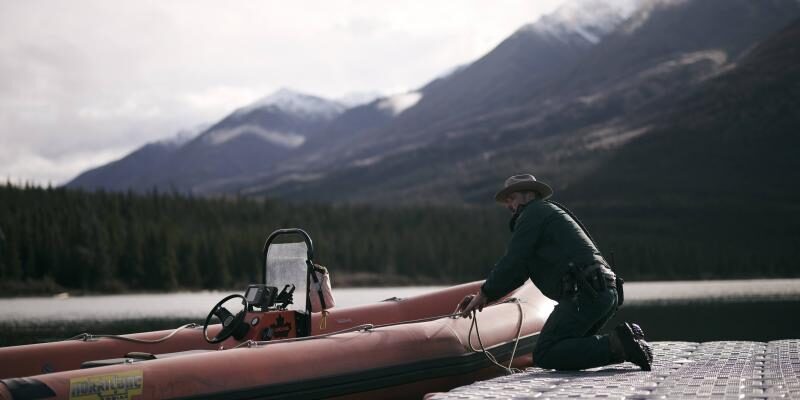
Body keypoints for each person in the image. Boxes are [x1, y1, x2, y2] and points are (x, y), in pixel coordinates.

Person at [456, 174, 653, 371]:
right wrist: (484, 296)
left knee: (545, 353)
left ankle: (621, 344)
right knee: (567, 347)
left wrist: (485, 292)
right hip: (603, 291)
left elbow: (513, 261)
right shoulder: (546, 213)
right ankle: (628, 341)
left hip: (586, 294)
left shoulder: (532, 214)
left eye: (512, 198)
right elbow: (518, 273)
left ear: (528, 196)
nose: (509, 206)